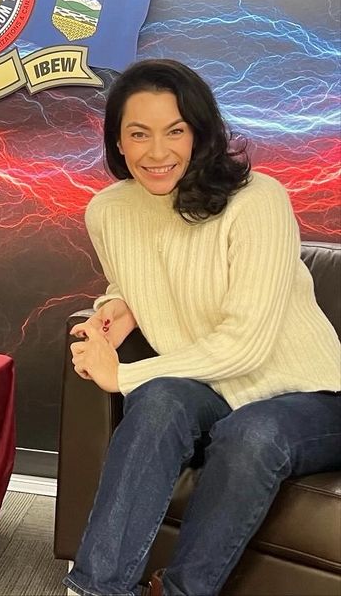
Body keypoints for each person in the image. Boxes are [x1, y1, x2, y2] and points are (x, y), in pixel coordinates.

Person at [63, 59, 341, 596]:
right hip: (214, 390)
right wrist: (120, 302)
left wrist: (123, 376)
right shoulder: (106, 212)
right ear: (118, 143)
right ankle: (95, 589)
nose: (158, 152)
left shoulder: (258, 199)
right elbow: (146, 270)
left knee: (252, 432)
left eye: (175, 131)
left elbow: (244, 344)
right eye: (138, 134)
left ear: (200, 132)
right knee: (162, 399)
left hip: (313, 396)